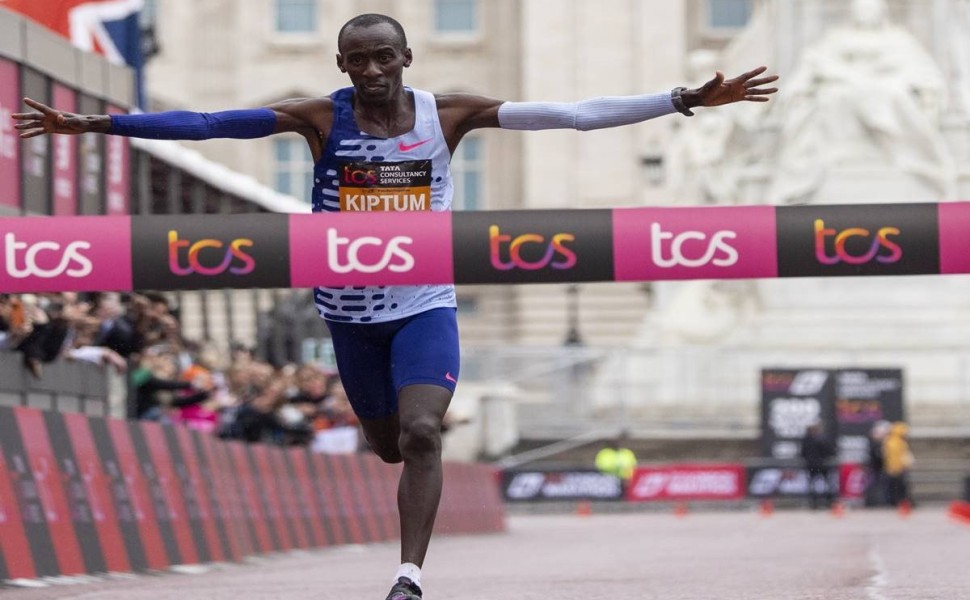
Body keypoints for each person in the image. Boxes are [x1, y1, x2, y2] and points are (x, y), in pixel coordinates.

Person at [13, 13, 777, 599]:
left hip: (423, 301)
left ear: (407, 58)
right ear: (341, 65)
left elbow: (571, 113)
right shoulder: (320, 118)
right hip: (347, 313)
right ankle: (402, 496)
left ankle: (409, 574)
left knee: (420, 434)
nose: (373, 69)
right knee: (385, 444)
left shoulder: (449, 116)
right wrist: (97, 123)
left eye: (386, 56)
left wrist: (681, 100)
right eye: (358, 60)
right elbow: (211, 125)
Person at [800, 422, 836, 510]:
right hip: (821, 465)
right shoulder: (821, 439)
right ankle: (826, 502)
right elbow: (830, 452)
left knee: (816, 484)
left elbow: (802, 453)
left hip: (813, 465)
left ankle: (816, 503)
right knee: (823, 484)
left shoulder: (806, 440)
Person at [882, 421, 915, 508]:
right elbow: (894, 457)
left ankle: (900, 502)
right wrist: (897, 468)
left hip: (897, 468)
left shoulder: (895, 441)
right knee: (898, 487)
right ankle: (899, 502)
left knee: (899, 487)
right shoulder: (894, 443)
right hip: (896, 469)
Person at [864, 420, 891, 507]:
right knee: (873, 485)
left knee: (881, 485)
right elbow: (877, 456)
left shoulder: (883, 443)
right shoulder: (874, 443)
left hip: (881, 467)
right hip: (875, 467)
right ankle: (872, 501)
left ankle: (881, 501)